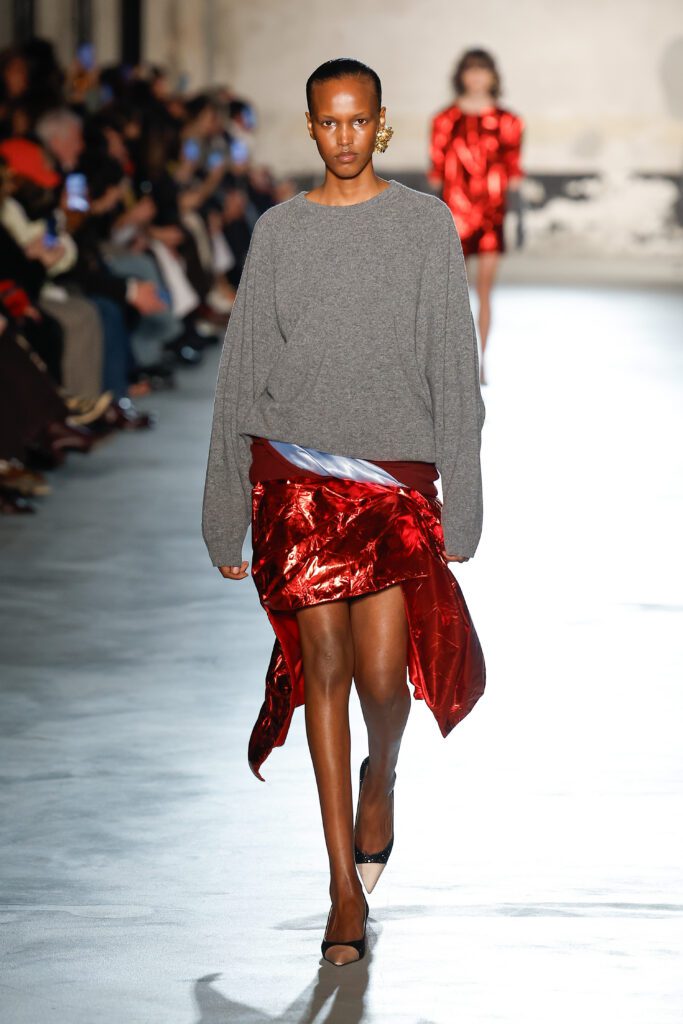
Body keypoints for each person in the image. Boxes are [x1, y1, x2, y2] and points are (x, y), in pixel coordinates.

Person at [202, 58, 486, 967]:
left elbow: (453, 363)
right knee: (321, 668)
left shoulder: (423, 224)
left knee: (381, 680)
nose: (344, 136)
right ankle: (339, 888)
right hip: (295, 474)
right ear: (311, 127)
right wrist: (224, 508)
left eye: (358, 119)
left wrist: (464, 497)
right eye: (329, 122)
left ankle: (382, 772)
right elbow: (241, 370)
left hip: (392, 479)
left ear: (380, 122)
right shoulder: (279, 231)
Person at [428, 49, 524, 384]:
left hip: (491, 216)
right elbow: (435, 175)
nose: (477, 76)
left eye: (483, 70)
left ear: (493, 76)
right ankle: (457, 360)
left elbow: (514, 173)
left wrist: (518, 218)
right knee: (453, 294)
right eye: (471, 70)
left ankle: (482, 360)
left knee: (484, 290)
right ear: (461, 76)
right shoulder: (444, 120)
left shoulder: (509, 121)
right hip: (453, 215)